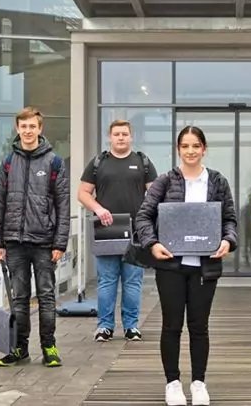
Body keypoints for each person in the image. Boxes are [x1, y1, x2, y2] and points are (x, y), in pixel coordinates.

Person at [133, 126, 237, 406]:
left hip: (206, 266)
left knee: (199, 326)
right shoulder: (164, 182)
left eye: (196, 146)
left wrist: (228, 240)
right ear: (178, 149)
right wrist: (153, 244)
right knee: (171, 326)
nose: (190, 151)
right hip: (171, 267)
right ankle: (173, 383)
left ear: (204, 149)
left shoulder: (217, 181)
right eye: (185, 146)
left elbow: (230, 219)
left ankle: (199, 383)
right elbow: (143, 217)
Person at [0, 107, 71, 368]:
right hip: (14, 242)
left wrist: (60, 242)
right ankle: (19, 348)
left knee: (46, 296)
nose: (27, 131)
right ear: (17, 129)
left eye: (32, 126)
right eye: (23, 127)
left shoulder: (54, 162)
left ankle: (49, 346)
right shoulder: (7, 162)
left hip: (45, 243)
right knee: (19, 297)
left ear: (40, 129)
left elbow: (63, 205)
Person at [77, 119, 157, 342]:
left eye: (124, 134)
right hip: (106, 230)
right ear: (110, 137)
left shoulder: (143, 162)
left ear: (131, 137)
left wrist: (147, 219)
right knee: (107, 281)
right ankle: (105, 327)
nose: (121, 137)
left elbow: (155, 194)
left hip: (135, 231)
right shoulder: (98, 163)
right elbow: (82, 193)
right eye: (116, 134)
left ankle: (131, 327)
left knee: (133, 282)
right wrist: (98, 208)